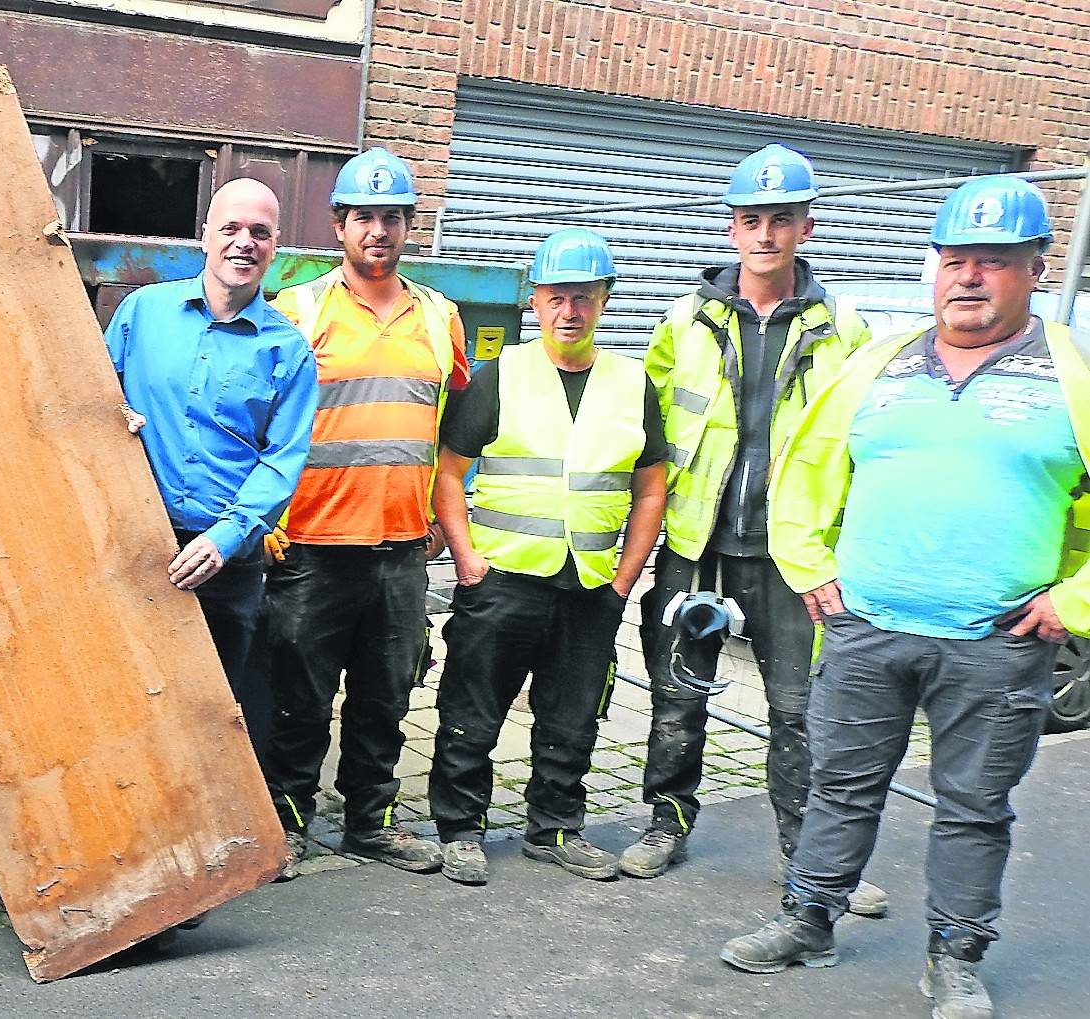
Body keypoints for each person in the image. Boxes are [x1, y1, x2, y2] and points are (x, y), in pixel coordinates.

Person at [721, 175, 1082, 1019]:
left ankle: (954, 954)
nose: (966, 277)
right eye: (953, 259)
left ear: (1034, 267)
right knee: (841, 784)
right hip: (866, 628)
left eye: (991, 263)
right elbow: (804, 469)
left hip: (996, 640)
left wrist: (1077, 600)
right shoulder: (880, 363)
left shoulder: (1068, 374)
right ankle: (808, 917)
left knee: (973, 805)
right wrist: (809, 566)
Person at [625, 144, 884, 912]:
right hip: (695, 542)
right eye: (750, 219)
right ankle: (664, 824)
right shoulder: (685, 318)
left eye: (779, 218)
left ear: (807, 226)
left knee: (797, 709)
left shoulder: (845, 327)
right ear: (731, 228)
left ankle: (805, 855)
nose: (764, 233)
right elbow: (650, 435)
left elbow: (865, 444)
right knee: (677, 695)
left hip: (790, 553)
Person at [426, 229, 667, 884]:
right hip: (501, 580)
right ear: (534, 301)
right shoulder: (498, 377)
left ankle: (554, 827)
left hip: (589, 587)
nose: (570, 312)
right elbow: (448, 473)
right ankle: (460, 828)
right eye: (557, 297)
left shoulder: (630, 383)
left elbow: (651, 487)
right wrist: (467, 560)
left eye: (584, 298)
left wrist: (623, 577)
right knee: (470, 711)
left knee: (573, 715)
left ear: (605, 301)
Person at [261, 147, 471, 879]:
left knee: (386, 692)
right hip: (313, 545)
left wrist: (450, 512)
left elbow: (452, 429)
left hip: (401, 547)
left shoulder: (441, 317)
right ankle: (285, 821)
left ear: (408, 225)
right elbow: (264, 421)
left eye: (390, 217)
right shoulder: (298, 311)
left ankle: (369, 822)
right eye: (362, 218)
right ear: (338, 226)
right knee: (299, 697)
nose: (376, 230)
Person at [104, 177, 318, 747]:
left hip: (226, 561)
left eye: (260, 233)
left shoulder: (288, 350)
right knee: (123, 697)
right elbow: (94, 399)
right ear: (205, 236)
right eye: (231, 228)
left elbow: (283, 459)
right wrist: (114, 415)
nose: (244, 242)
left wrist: (226, 538)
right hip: (136, 543)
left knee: (208, 716)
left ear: (275, 248)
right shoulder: (141, 313)